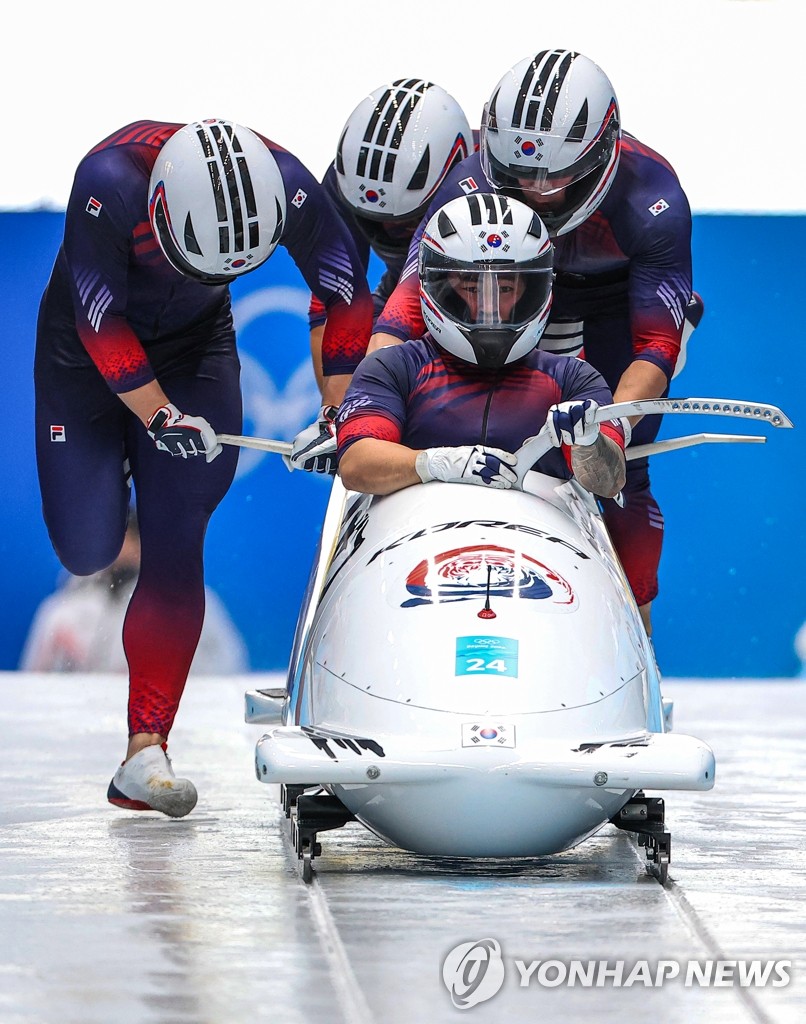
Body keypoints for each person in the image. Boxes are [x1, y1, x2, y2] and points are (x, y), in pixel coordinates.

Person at [34, 118, 373, 817]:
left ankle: (144, 750)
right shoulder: (107, 181)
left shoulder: (285, 182)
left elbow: (344, 286)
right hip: (85, 352)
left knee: (176, 534)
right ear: (160, 211)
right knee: (88, 546)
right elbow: (101, 319)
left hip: (196, 345)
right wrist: (158, 416)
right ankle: (116, 468)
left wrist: (341, 409)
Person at [366, 50, 704, 635]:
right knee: (437, 420)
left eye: (557, 177)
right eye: (518, 174)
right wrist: (365, 400)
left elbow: (654, 344)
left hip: (615, 304)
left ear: (601, 153)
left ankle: (639, 634)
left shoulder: (653, 200)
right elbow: (406, 305)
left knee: (620, 470)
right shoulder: (468, 180)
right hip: (509, 288)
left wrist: (611, 431)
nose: (536, 192)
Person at [337, 192, 626, 503]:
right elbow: (356, 463)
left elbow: (609, 483)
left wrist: (589, 442)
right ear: (436, 285)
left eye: (505, 288)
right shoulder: (393, 368)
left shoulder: (574, 380)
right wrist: (436, 464)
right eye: (472, 287)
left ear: (535, 289)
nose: (488, 308)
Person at [307, 78, 475, 392]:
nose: (389, 231)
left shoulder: (486, 173)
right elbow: (335, 299)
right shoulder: (341, 185)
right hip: (408, 290)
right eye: (375, 221)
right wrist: (334, 412)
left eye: (408, 222)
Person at [20, 509, 249, 675]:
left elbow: (230, 666)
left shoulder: (192, 604)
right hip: (79, 730)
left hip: (171, 728)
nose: (123, 550)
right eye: (115, 541)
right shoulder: (62, 611)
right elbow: (35, 684)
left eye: (132, 540)